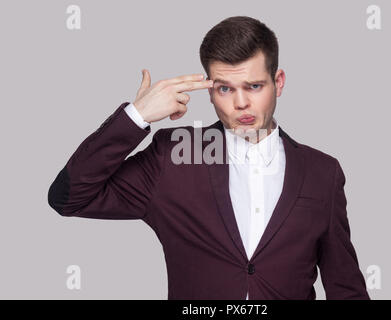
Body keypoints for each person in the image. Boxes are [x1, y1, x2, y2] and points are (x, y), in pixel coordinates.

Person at [48, 16, 370, 300]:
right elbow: (69, 198)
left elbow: (346, 287)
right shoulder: (173, 156)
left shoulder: (322, 172)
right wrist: (137, 117)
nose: (241, 103)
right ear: (209, 89)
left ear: (279, 82)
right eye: (225, 89)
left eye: (254, 86)